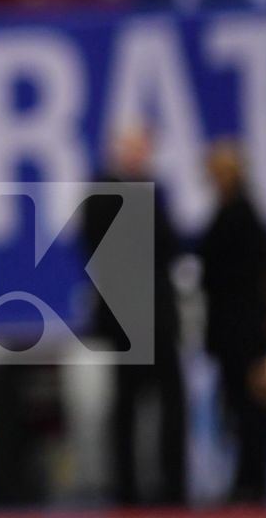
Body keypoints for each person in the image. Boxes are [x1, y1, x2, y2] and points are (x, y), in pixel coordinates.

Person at [83, 124, 186, 505]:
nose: (141, 155)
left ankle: (172, 489)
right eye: (134, 148)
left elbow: (168, 246)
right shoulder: (106, 193)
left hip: (155, 315)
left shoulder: (148, 191)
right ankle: (128, 490)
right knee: (128, 404)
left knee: (169, 401)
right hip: (127, 317)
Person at [198, 139, 266, 503]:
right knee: (239, 405)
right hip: (234, 325)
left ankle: (252, 480)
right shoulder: (234, 210)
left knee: (250, 405)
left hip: (242, 328)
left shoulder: (240, 214)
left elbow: (251, 272)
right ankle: (247, 478)